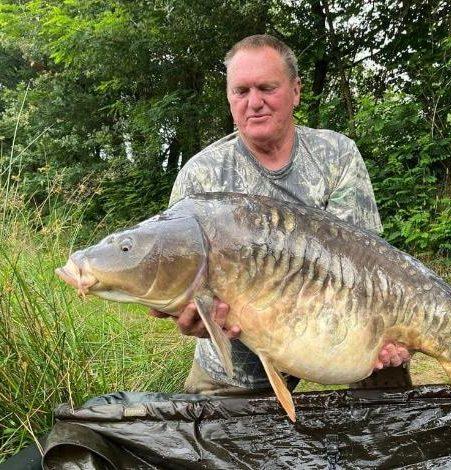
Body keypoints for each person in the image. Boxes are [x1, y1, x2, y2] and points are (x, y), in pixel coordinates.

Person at [150, 34, 411, 395]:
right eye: (241, 91)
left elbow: (369, 268)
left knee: (390, 384)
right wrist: (194, 317)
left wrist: (391, 330)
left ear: (295, 91)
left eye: (267, 88)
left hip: (336, 340)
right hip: (237, 367)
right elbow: (180, 277)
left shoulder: (336, 155)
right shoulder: (200, 176)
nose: (254, 103)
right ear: (229, 97)